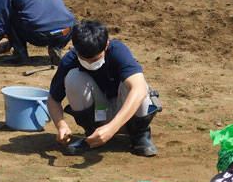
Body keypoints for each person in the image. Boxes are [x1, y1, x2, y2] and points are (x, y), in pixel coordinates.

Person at [47, 20, 161, 157]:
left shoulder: (118, 51)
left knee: (137, 83)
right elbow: (53, 99)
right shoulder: (69, 60)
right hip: (99, 112)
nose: (90, 63)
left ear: (106, 45)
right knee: (72, 77)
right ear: (76, 49)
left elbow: (139, 89)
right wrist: (61, 125)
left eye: (96, 58)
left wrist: (112, 128)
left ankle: (139, 135)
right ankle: (93, 134)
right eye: (84, 59)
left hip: (125, 110)